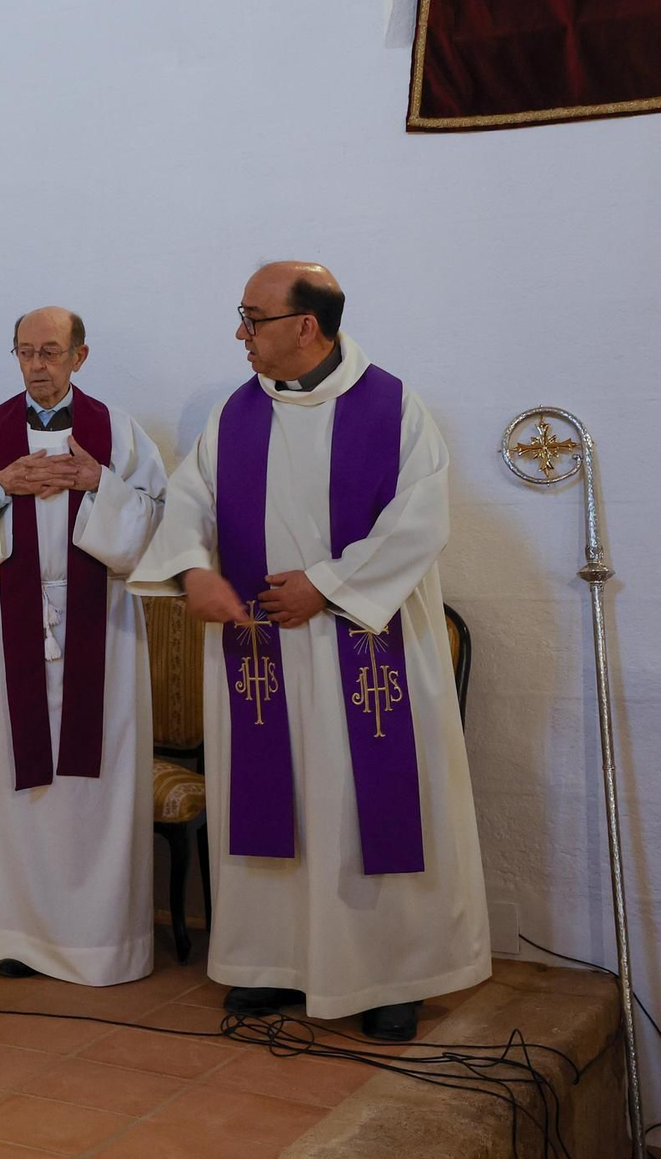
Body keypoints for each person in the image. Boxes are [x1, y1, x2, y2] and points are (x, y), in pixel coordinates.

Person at [129, 261, 490, 1039]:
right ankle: (275, 964)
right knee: (279, 803)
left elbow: (420, 523)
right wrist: (193, 569)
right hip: (266, 656)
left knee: (368, 810)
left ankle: (392, 974)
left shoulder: (395, 407)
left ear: (307, 326)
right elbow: (188, 500)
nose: (240, 333)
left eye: (253, 318)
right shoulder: (237, 414)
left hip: (367, 645)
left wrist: (324, 587)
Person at [0, 306, 167, 985]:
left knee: (93, 784)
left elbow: (156, 526)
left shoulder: (120, 432)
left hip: (104, 624)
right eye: (26, 351)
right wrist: (2, 486)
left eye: (52, 352)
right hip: (10, 613)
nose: (38, 364)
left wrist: (98, 483)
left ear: (80, 356)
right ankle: (17, 931)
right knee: (17, 780)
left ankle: (100, 940)